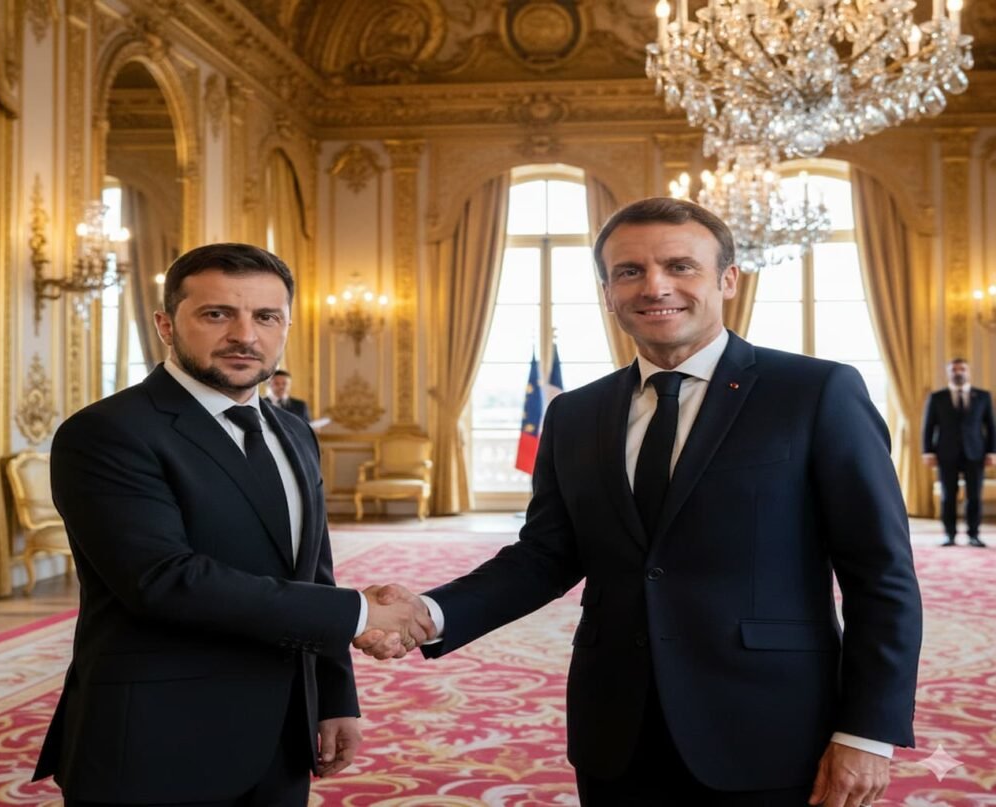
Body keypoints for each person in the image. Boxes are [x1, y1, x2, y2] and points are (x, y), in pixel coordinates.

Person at [356, 198, 923, 807]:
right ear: (607, 291)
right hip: (615, 729)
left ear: (727, 279)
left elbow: (880, 575)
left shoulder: (816, 392)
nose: (655, 287)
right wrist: (431, 614)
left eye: (681, 266)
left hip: (770, 725)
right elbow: (546, 556)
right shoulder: (575, 413)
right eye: (629, 271)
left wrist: (867, 730)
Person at [33, 243, 434, 807]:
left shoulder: (294, 433)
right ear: (166, 325)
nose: (245, 335)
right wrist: (361, 612)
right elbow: (164, 580)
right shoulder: (107, 432)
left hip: (282, 740)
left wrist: (336, 696)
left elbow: (313, 573)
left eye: (266, 317)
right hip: (155, 742)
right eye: (217, 314)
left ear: (286, 326)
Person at [922, 357, 996, 547]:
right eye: (954, 369)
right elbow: (928, 426)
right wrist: (927, 451)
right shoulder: (937, 397)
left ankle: (974, 535)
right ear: (948, 373)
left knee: (974, 496)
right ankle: (950, 535)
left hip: (976, 453)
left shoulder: (983, 396)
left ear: (968, 372)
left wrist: (992, 452)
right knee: (948, 496)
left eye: (962, 369)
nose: (958, 372)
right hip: (946, 453)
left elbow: (991, 426)